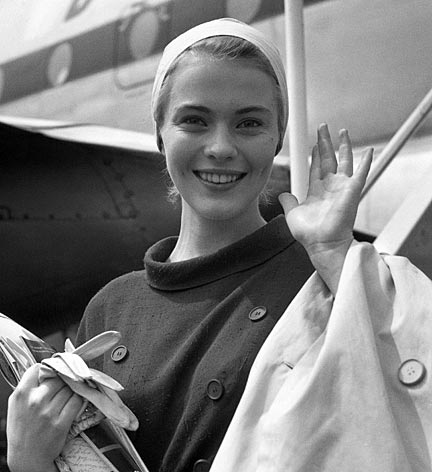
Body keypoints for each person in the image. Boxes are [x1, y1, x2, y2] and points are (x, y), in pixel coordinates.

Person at [6, 18, 373, 472]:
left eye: (249, 123)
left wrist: (336, 255)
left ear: (277, 136)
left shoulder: (324, 275)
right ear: (160, 132)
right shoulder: (112, 306)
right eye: (194, 121)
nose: (220, 147)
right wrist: (28, 459)